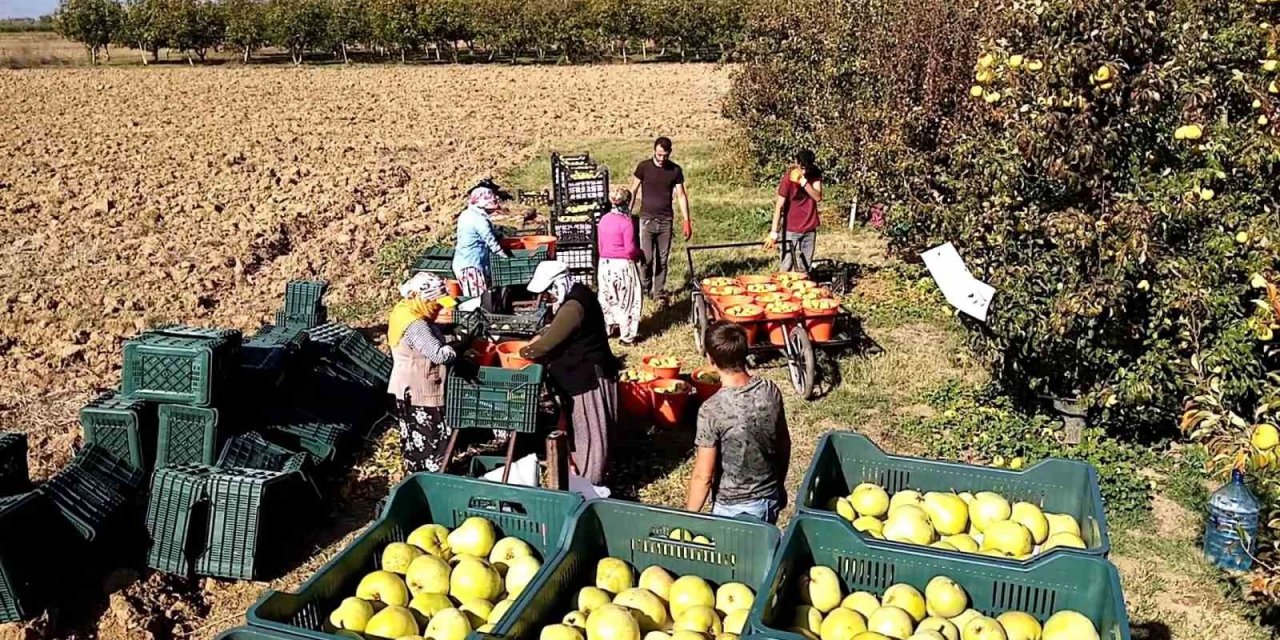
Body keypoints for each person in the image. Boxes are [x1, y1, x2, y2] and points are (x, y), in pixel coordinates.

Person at [520, 260, 621, 485]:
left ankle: (588, 485)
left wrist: (524, 351)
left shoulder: (574, 306)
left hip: (586, 378)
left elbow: (545, 345)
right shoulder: (578, 293)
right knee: (586, 431)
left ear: (557, 284)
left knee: (589, 435)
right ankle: (583, 477)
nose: (545, 298)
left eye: (547, 293)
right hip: (584, 372)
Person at [685, 320, 790, 523]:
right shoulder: (770, 390)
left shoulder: (712, 410)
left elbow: (703, 476)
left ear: (711, 359)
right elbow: (783, 443)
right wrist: (779, 484)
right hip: (769, 498)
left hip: (733, 508)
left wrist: (688, 517)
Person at [387, 273, 478, 473]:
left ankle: (416, 471)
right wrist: (460, 345)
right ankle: (435, 475)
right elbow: (438, 354)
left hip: (406, 385)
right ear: (423, 298)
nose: (439, 307)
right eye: (436, 303)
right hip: (420, 388)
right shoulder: (416, 325)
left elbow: (430, 333)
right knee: (429, 437)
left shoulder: (405, 309)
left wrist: (448, 332)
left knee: (413, 435)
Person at [630, 136, 692, 301]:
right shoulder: (644, 167)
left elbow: (681, 195)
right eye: (658, 155)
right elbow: (634, 190)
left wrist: (687, 221)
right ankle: (644, 288)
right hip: (647, 220)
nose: (661, 159)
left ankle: (658, 291)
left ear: (669, 153)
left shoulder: (675, 170)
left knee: (662, 259)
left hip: (665, 221)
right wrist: (626, 215)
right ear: (654, 151)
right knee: (646, 259)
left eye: (665, 155)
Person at [597, 186, 644, 346]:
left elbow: (601, 246)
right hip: (622, 265)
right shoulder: (626, 222)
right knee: (628, 300)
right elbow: (630, 250)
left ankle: (607, 328)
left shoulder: (603, 220)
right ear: (627, 202)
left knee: (607, 298)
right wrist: (639, 254)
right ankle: (627, 336)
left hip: (604, 264)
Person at [452, 186, 512, 300]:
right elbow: (490, 240)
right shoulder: (479, 220)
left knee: (479, 298)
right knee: (477, 300)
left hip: (462, 261)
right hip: (471, 266)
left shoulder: (467, 214)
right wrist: (504, 256)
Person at [770, 149, 824, 272]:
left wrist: (804, 183)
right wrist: (774, 233)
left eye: (807, 169)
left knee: (805, 266)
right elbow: (779, 205)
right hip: (792, 228)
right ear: (796, 163)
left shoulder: (814, 173)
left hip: (809, 225)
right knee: (786, 264)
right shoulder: (788, 178)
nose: (804, 172)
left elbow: (817, 197)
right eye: (802, 168)